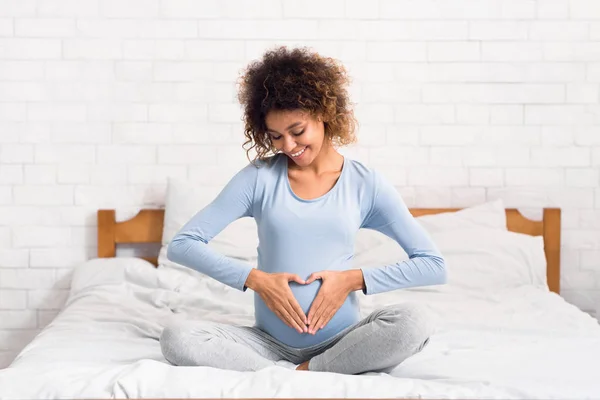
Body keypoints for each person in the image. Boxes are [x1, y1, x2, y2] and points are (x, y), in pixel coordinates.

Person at [159, 46, 447, 375]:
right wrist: (257, 280)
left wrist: (351, 280)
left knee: (415, 321)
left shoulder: (365, 185)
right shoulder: (258, 179)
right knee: (177, 337)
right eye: (276, 137)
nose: (288, 146)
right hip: (266, 344)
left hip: (344, 340)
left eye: (297, 132)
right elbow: (184, 244)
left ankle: (303, 373)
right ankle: (306, 375)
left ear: (324, 114)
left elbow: (433, 265)